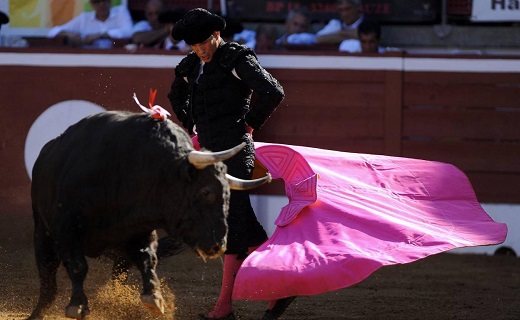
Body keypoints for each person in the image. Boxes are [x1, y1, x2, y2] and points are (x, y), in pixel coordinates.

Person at [167, 8, 289, 320]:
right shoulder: (192, 65)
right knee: (243, 224)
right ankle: (281, 290)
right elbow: (175, 92)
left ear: (217, 35)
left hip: (235, 151)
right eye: (195, 45)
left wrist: (250, 124)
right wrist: (193, 123)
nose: (201, 50)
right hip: (210, 154)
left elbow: (273, 90)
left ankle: (223, 309)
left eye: (205, 42)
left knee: (234, 224)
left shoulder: (236, 59)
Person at [47, 0, 133, 48]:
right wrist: (70, 35)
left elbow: (128, 32)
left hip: (115, 60)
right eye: (97, 1)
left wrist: (100, 36)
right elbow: (52, 32)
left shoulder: (120, 12)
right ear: (91, 4)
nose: (101, 5)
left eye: (104, 1)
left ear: (110, 2)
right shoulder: (84, 18)